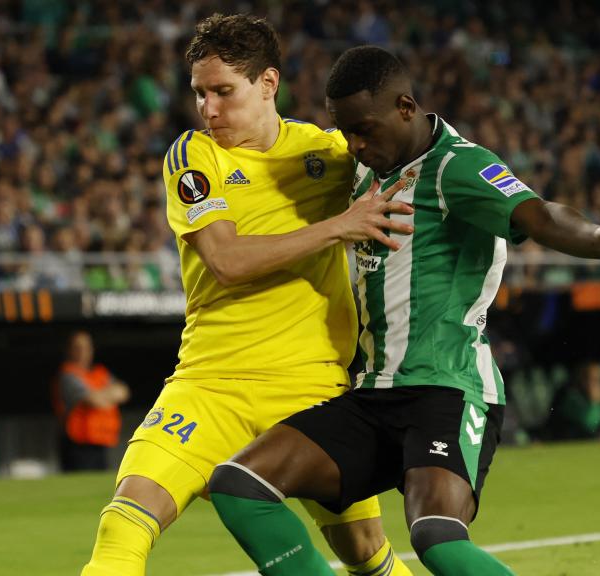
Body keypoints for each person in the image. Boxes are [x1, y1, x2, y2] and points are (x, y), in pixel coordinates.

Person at [208, 46, 600, 576]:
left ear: (407, 107)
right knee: (239, 484)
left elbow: (540, 214)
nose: (355, 145)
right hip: (372, 396)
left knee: (435, 535)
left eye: (365, 129)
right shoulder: (370, 172)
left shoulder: (457, 166)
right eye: (345, 132)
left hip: (447, 389)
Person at [80, 15, 415, 576]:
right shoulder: (194, 156)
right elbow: (227, 261)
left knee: (366, 553)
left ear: (268, 83)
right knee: (123, 524)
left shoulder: (331, 154)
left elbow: (419, 169)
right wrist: (340, 226)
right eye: (200, 94)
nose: (208, 110)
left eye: (222, 92)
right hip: (212, 383)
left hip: (314, 387)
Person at [54, 330, 130, 472]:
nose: (82, 352)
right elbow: (94, 400)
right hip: (77, 445)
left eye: (86, 347)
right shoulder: (68, 374)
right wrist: (109, 396)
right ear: (70, 350)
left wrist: (102, 395)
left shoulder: (100, 373)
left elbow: (123, 392)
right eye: (77, 348)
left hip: (101, 441)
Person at [548, 361, 600, 441]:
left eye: (598, 379)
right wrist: (594, 403)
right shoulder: (570, 395)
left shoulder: (596, 397)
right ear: (582, 379)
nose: (596, 383)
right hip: (569, 442)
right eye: (592, 379)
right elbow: (588, 423)